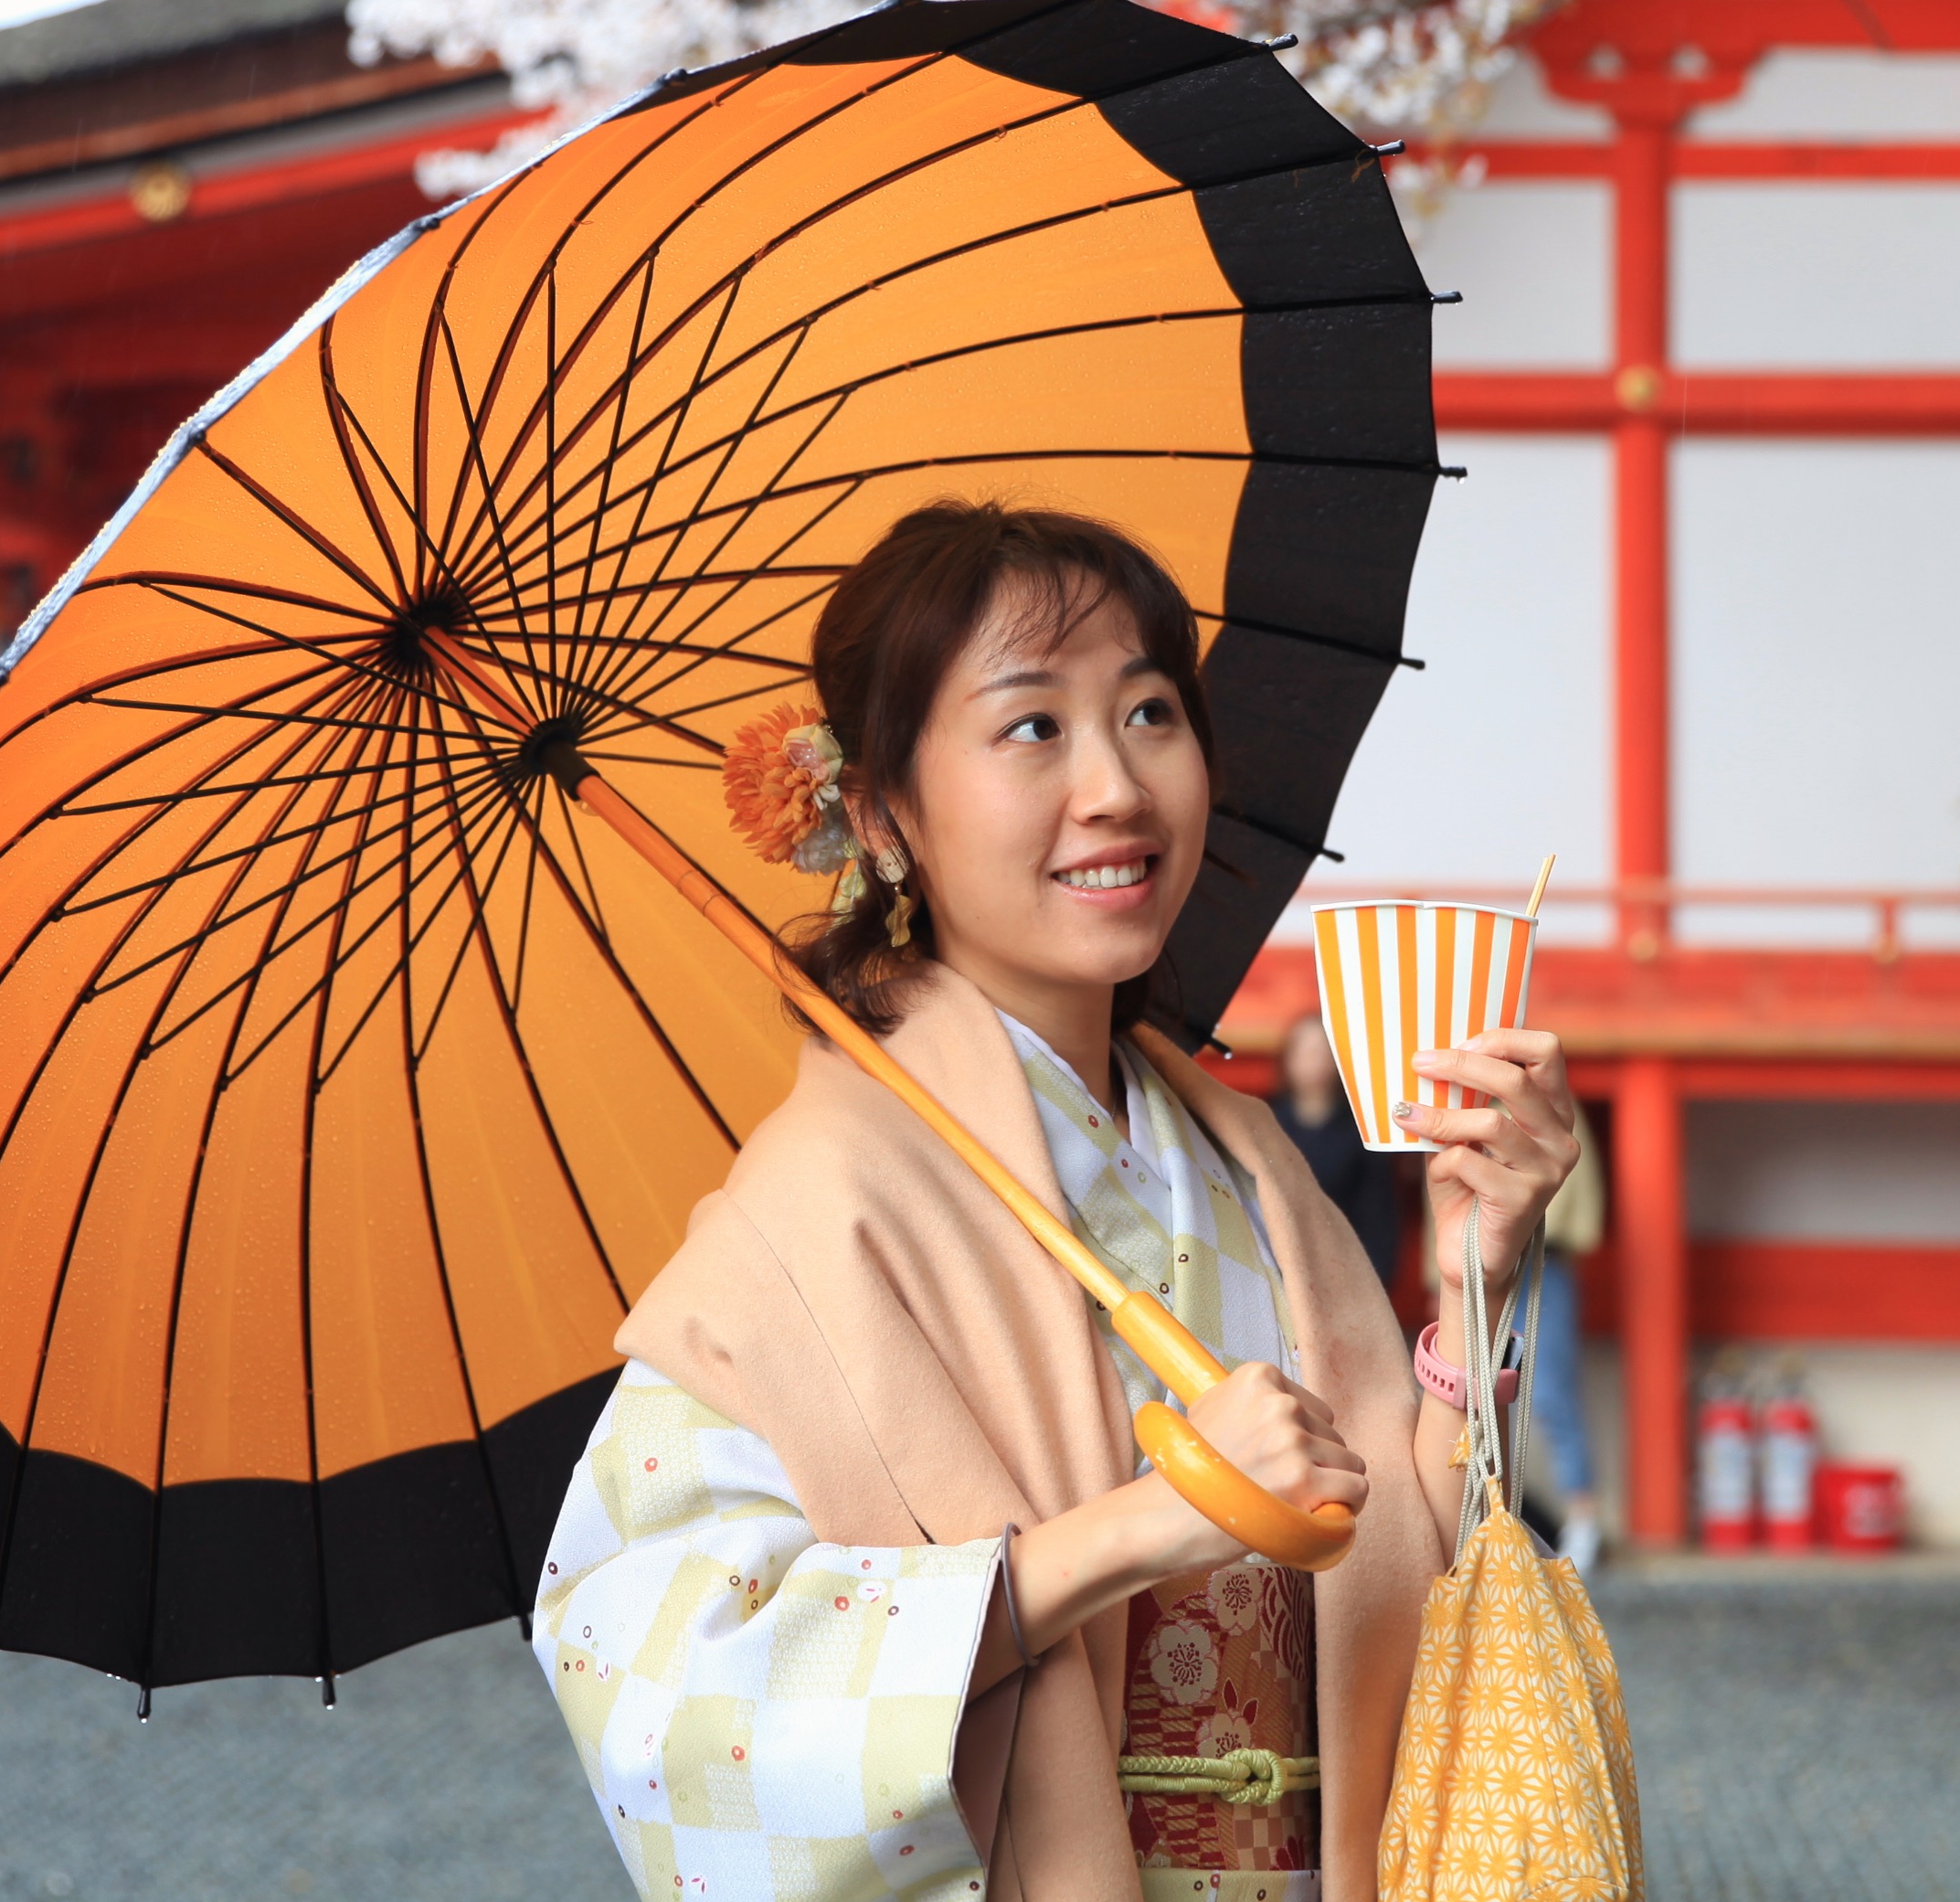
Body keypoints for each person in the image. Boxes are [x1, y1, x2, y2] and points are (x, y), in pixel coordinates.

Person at [535, 504, 1579, 1900]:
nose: (1117, 788)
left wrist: (1473, 1277)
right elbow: (663, 1693)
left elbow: (1407, 1578)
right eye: (1032, 728)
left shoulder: (1248, 1167)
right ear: (882, 815)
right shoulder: (810, 1226)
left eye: (1149, 711)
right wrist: (1139, 1531)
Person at [1525, 1100, 1605, 1573]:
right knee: (1477, 1395)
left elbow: (1577, 1183)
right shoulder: (1467, 1105)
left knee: (1552, 1394)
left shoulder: (1556, 1106)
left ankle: (1582, 1516)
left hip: (1542, 1257)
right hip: (1476, 1262)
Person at [1270, 1016, 1400, 1287]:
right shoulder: (1267, 1120)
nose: (1314, 1061)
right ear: (1288, 1059)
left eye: (1322, 1052)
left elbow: (1377, 1211)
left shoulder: (1361, 1131)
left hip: (1343, 1267)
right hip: (1274, 1262)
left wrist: (1375, 1280)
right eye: (1305, 1051)